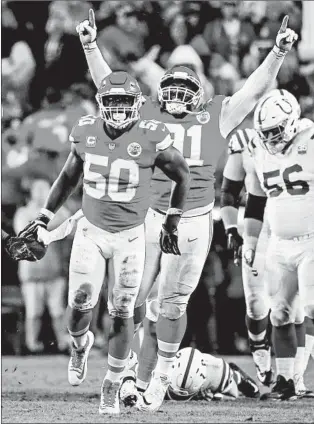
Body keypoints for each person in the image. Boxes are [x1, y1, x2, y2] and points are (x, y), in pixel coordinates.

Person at [76, 9, 299, 411]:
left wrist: (278, 54)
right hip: (147, 214)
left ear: (197, 93)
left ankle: (158, 377)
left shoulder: (216, 112)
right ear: (160, 92)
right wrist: (91, 46)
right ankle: (128, 376)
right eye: (172, 89)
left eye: (185, 90)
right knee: (130, 299)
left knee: (172, 303)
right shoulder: (145, 114)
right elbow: (108, 84)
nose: (177, 97)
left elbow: (253, 88)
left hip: (193, 217)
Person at [17, 70, 190, 415]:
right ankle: (80, 345)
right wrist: (44, 216)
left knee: (123, 311)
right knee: (79, 306)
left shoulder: (152, 135)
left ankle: (110, 385)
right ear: (101, 103)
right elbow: (69, 176)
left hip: (130, 237)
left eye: (125, 101)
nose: (118, 108)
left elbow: (181, 174)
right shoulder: (86, 132)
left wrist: (172, 217)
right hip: (91, 231)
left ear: (137, 104)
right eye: (111, 101)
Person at [221, 89, 314, 398]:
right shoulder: (258, 148)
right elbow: (257, 199)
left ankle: (297, 378)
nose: (271, 138)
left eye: (276, 131)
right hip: (279, 242)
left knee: (312, 307)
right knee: (280, 313)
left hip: (312, 239)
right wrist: (248, 239)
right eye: (266, 133)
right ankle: (287, 382)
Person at [13, 178, 70, 353]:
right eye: (38, 189)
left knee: (58, 311)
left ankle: (63, 343)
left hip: (54, 270)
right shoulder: (23, 212)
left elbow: (68, 225)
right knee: (33, 311)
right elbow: (25, 234)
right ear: (31, 192)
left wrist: (42, 226)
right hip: (31, 272)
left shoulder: (58, 211)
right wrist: (49, 229)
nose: (41, 193)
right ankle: (32, 345)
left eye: (45, 189)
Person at [166, 347, 259, 401]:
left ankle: (236, 374)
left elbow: (234, 396)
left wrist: (218, 397)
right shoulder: (164, 366)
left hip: (218, 371)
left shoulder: (217, 372)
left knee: (254, 392)